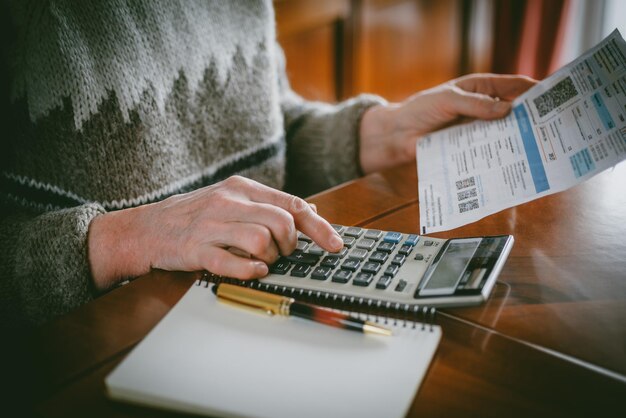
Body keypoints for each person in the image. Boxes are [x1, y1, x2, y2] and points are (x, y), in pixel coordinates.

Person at [0, 0, 535, 328]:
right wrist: (124, 238)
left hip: (261, 298)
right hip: (95, 343)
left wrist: (382, 132)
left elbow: (265, 125)